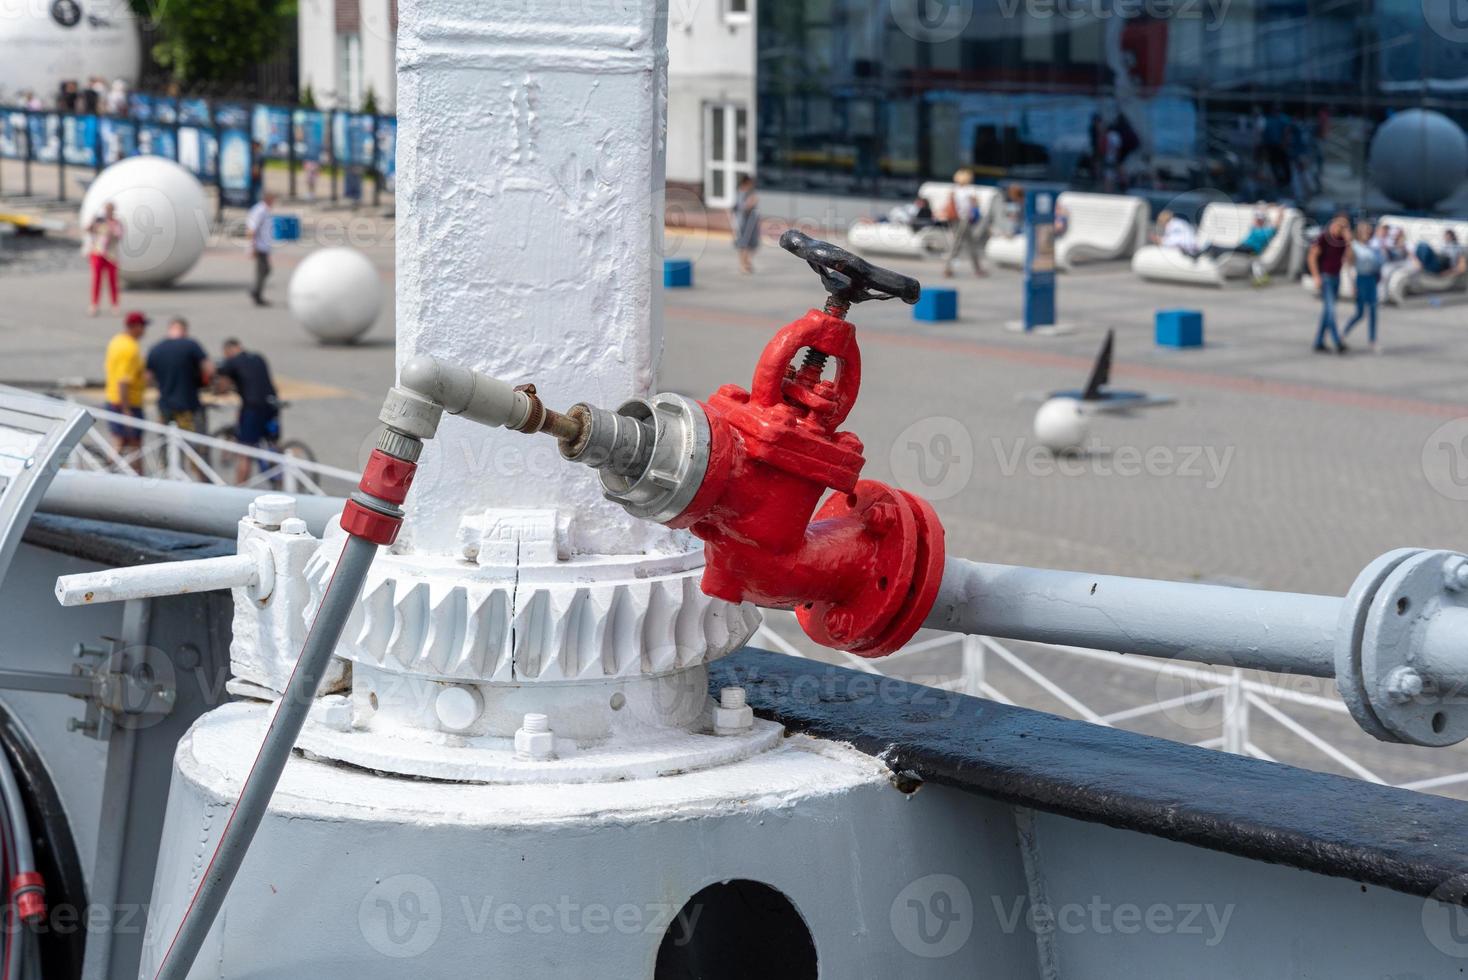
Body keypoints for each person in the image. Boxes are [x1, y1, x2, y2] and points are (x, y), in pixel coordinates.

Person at [215, 339, 280, 485]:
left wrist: (218, 391)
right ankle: (281, 479)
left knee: (245, 452)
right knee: (272, 445)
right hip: (272, 405)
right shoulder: (258, 357)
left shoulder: (232, 362)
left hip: (253, 409)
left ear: (228, 351)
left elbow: (223, 387)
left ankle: (239, 490)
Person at [146, 317, 213, 433]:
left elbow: (147, 378)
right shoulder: (191, 345)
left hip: (165, 404)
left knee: (166, 439)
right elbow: (209, 369)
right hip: (188, 404)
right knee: (188, 439)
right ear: (185, 330)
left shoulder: (156, 348)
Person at [104, 312, 149, 470]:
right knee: (132, 444)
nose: (145, 330)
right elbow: (123, 381)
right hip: (126, 402)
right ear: (135, 327)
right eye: (143, 326)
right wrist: (126, 409)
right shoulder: (130, 348)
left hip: (113, 398)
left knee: (123, 441)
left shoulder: (117, 340)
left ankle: (107, 471)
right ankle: (138, 480)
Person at [1308, 212, 1353, 354]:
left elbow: (1350, 260)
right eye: (1340, 224)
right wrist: (1316, 276)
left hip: (1336, 277)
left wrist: (1349, 243)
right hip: (1326, 276)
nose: (1342, 228)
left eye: (1345, 226)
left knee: (1327, 311)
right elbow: (1312, 256)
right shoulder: (1324, 237)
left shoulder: (1342, 241)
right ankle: (1337, 341)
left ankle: (1319, 342)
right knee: (1331, 310)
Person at [1342, 220, 1384, 353]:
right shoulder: (1354, 246)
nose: (1366, 233)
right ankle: (1343, 333)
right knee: (1360, 313)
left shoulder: (1372, 246)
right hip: (1361, 279)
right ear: (1359, 233)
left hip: (1372, 279)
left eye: (1368, 231)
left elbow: (1378, 263)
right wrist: (1352, 284)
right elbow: (1349, 266)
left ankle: (1372, 340)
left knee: (1373, 312)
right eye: (1364, 231)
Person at [943, 169, 987, 278]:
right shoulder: (969, 190)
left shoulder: (954, 190)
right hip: (964, 220)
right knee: (960, 244)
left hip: (955, 219)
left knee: (961, 243)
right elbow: (976, 203)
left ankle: (950, 268)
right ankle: (949, 268)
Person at [84, 202, 124, 316]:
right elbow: (88, 230)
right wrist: (92, 222)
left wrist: (111, 228)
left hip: (111, 254)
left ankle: (115, 304)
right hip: (98, 252)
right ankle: (94, 304)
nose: (108, 212)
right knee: (96, 280)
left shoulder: (116, 223)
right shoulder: (99, 221)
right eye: (106, 210)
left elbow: (119, 236)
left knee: (112, 280)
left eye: (110, 210)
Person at [246, 192, 276, 305]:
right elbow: (251, 230)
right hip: (258, 246)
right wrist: (251, 247)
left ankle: (256, 292)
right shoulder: (260, 211)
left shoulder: (264, 210)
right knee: (263, 270)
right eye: (273, 199)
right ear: (267, 199)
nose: (274, 202)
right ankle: (256, 293)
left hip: (263, 246)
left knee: (264, 270)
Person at [731, 176, 759, 275]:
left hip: (750, 222)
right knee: (744, 244)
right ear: (746, 183)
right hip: (744, 222)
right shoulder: (742, 193)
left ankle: (747, 263)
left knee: (752, 245)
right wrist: (751, 203)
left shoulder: (748, 192)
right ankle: (743, 265)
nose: (752, 185)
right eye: (750, 183)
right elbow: (745, 206)